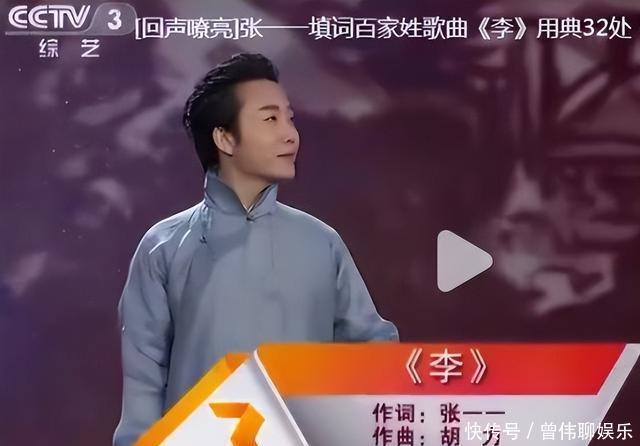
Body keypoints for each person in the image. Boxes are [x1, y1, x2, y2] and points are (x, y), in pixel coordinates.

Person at [113, 53, 399, 445]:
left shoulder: (321, 242)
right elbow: (144, 384)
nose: (290, 135)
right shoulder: (163, 247)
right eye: (270, 119)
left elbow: (374, 353)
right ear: (224, 138)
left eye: (290, 119)